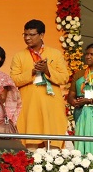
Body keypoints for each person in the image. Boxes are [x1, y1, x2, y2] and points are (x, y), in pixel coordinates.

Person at [10, 19, 69, 148]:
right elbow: (14, 80)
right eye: (25, 34)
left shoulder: (55, 54)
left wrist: (47, 70)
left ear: (41, 35)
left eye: (31, 35)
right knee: (30, 143)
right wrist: (32, 71)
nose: (27, 38)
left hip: (51, 104)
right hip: (28, 104)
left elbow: (64, 78)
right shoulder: (19, 56)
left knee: (53, 144)